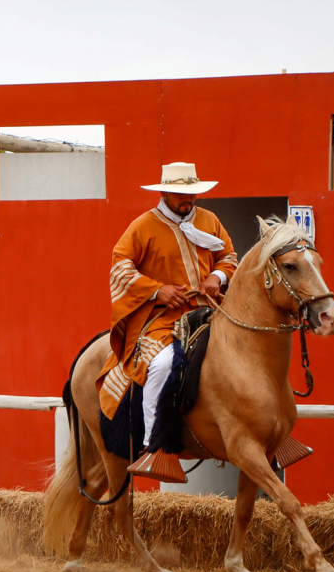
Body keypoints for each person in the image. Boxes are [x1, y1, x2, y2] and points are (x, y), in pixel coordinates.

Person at [96, 161, 239, 475]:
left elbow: (228, 256)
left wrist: (216, 276)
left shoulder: (209, 220)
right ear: (163, 192)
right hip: (164, 318)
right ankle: (154, 446)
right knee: (160, 365)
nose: (187, 200)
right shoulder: (142, 226)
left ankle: (269, 431)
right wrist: (156, 291)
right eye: (179, 194)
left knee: (251, 350)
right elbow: (120, 267)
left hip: (211, 309)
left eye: (191, 193)